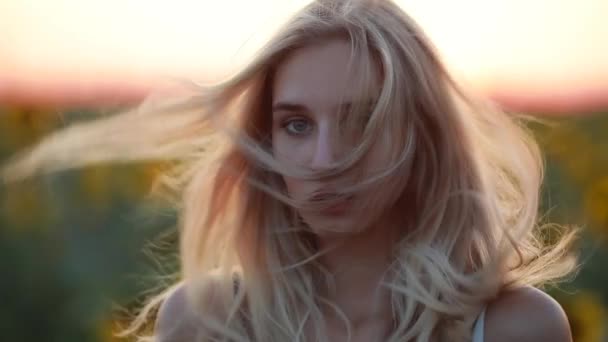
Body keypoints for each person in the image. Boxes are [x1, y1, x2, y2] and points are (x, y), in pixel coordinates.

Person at [2, 0, 578, 341]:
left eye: (360, 122)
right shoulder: (206, 324)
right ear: (266, 140)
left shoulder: (516, 329)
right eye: (296, 125)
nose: (326, 160)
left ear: (423, 138)